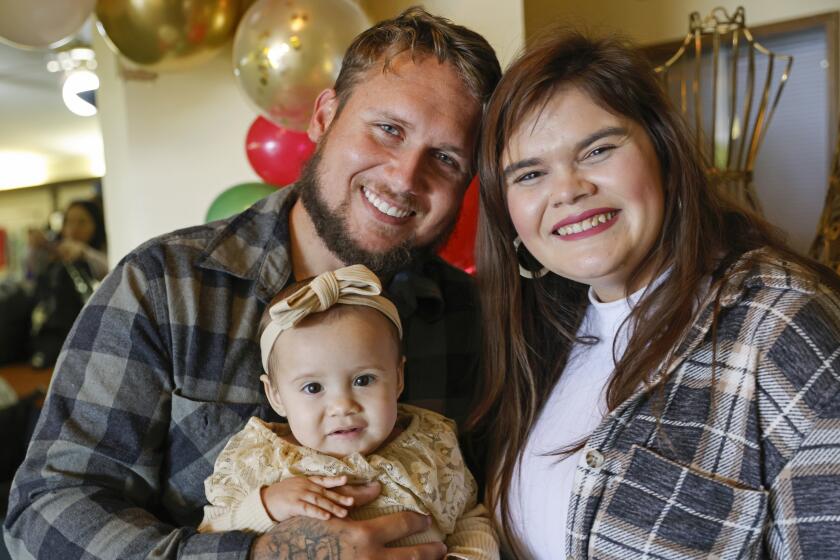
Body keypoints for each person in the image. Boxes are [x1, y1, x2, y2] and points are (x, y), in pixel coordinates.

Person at [4, 8, 500, 559]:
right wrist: (259, 555)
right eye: (388, 129)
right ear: (324, 116)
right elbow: (46, 508)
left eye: (446, 158)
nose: (406, 177)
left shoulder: (473, 318)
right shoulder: (165, 286)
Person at [470, 31, 840, 559]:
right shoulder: (542, 335)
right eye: (530, 174)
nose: (568, 190)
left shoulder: (783, 327)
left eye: (597, 150)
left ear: (664, 153)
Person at [198, 265, 498, 559]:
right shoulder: (258, 458)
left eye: (363, 380)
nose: (342, 406)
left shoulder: (432, 443)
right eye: (313, 388)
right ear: (275, 395)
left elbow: (469, 519)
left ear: (398, 378)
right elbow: (210, 536)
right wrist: (264, 506)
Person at [26, 199, 109, 367]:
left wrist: (84, 253)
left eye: (82, 222)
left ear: (96, 225)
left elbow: (111, 269)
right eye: (69, 221)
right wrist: (36, 247)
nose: (73, 228)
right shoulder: (56, 251)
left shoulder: (101, 252)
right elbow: (33, 272)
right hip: (56, 335)